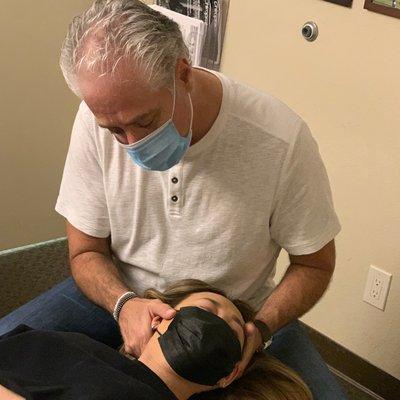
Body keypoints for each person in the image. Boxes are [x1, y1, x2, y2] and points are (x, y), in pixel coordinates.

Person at [0, 1, 348, 399]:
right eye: (114, 130)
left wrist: (261, 329)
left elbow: (315, 264)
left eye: (144, 121)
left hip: (236, 315)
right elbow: (85, 253)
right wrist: (123, 305)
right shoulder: (95, 118)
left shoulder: (280, 141)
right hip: (120, 288)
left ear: (182, 73)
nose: (131, 143)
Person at [0, 279, 312, 400]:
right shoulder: (66, 347)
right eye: (207, 309)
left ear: (229, 374)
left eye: (233, 331)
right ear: (159, 318)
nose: (219, 322)